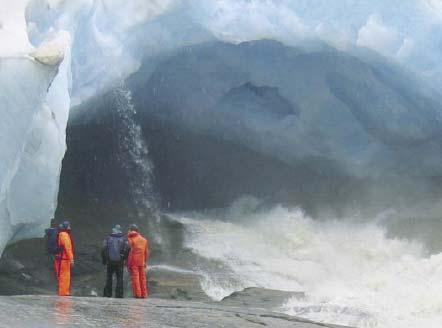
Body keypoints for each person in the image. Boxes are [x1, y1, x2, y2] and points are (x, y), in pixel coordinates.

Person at [101, 224, 129, 298]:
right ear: (120, 231)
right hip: (119, 262)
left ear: (113, 230)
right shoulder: (124, 239)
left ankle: (107, 294)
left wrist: (104, 260)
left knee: (109, 277)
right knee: (119, 278)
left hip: (110, 261)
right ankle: (119, 295)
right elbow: (128, 248)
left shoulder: (107, 238)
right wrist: (124, 258)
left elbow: (103, 248)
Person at [127, 224, 149, 298]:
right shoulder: (144, 240)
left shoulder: (131, 239)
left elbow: (129, 251)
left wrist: (128, 263)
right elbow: (146, 252)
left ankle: (137, 294)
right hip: (142, 261)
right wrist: (145, 261)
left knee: (135, 278)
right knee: (143, 278)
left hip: (134, 261)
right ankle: (144, 294)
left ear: (131, 230)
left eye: (129, 230)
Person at [55, 221, 74, 296]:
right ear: (66, 227)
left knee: (62, 278)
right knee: (65, 278)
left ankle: (63, 294)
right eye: (69, 226)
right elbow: (68, 248)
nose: (70, 228)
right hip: (64, 261)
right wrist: (71, 259)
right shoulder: (64, 235)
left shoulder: (60, 234)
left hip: (61, 260)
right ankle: (63, 295)